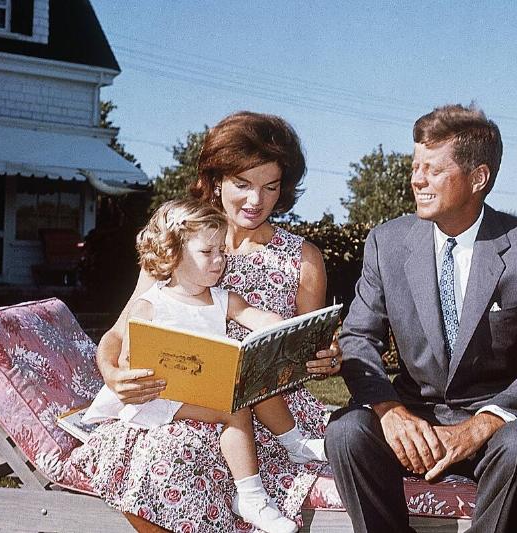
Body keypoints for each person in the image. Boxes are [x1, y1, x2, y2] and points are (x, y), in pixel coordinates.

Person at [68, 111, 340, 533]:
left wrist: (325, 356)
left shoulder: (302, 259)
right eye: (243, 185)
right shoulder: (177, 245)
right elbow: (120, 333)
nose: (256, 201)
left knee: (184, 453)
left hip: (267, 414)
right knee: (165, 456)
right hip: (178, 403)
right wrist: (112, 372)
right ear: (216, 182)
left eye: (270, 187)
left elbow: (308, 343)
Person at [326, 104, 517, 533]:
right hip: (414, 414)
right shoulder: (387, 242)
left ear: (478, 178)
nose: (416, 179)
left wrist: (481, 425)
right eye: (415, 166)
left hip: (497, 422)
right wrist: (389, 410)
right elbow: (357, 339)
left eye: (433, 169)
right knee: (347, 433)